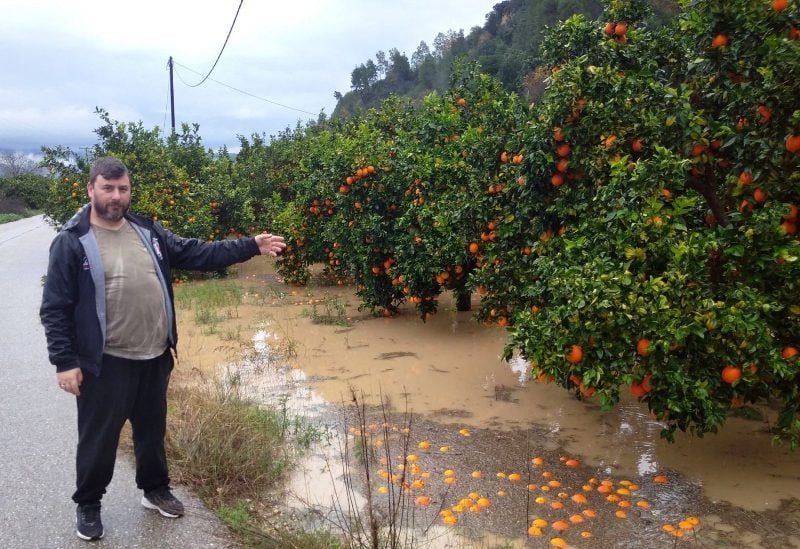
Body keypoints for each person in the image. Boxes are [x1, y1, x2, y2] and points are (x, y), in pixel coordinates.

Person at [40, 156, 286, 541]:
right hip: (106, 362)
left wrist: (249, 246)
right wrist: (65, 361)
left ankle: (154, 490)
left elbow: (197, 253)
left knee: (151, 432)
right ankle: (88, 504)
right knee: (99, 439)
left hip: (154, 355)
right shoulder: (71, 242)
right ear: (91, 190)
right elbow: (54, 307)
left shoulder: (146, 229)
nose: (116, 196)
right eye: (108, 188)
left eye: (123, 188)